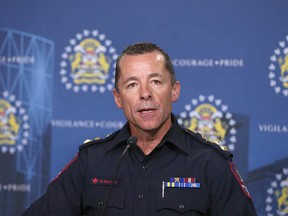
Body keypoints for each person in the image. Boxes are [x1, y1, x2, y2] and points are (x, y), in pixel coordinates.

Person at [22, 42, 257, 216]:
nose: (145, 93)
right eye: (132, 84)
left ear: (174, 91)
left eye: (155, 81)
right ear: (118, 98)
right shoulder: (91, 161)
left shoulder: (211, 164)